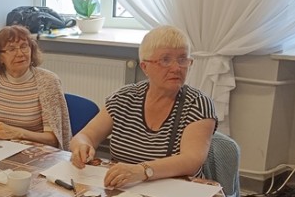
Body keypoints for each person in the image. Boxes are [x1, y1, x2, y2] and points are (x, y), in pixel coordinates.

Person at [69, 25, 217, 188]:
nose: (176, 68)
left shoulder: (198, 104)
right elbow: (86, 135)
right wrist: (81, 146)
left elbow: (191, 160)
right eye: (165, 60)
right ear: (145, 67)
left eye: (182, 59)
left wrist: (143, 170)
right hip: (125, 188)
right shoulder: (124, 98)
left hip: (176, 191)